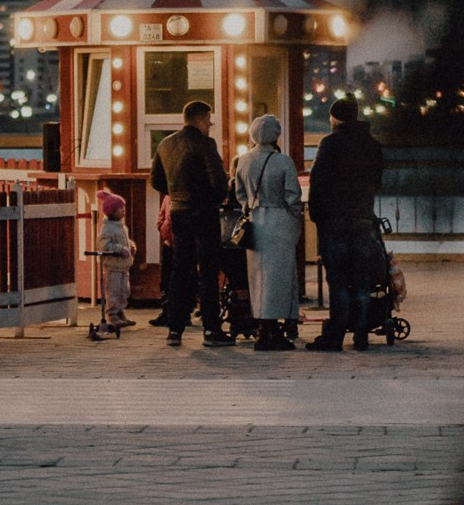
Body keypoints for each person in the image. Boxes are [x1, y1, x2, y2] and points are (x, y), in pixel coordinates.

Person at [306, 96, 388, 351]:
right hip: (363, 219)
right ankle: (361, 335)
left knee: (339, 280)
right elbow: (377, 181)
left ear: (335, 118)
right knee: (363, 280)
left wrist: (317, 216)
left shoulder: (330, 144)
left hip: (335, 221)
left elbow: (318, 183)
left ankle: (336, 336)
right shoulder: (372, 145)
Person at [149, 100, 232, 346]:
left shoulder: (165, 144)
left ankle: (175, 328)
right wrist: (216, 196)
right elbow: (218, 181)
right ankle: (211, 330)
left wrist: (176, 194)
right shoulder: (206, 144)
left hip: (179, 212)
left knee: (180, 270)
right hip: (204, 213)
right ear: (198, 119)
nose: (210, 125)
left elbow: (156, 181)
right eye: (208, 120)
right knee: (208, 272)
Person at [236, 113, 306, 351]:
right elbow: (293, 196)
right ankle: (273, 329)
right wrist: (296, 217)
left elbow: (240, 194)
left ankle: (262, 325)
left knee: (258, 276)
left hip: (256, 220)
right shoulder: (283, 161)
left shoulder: (243, 161)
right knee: (280, 276)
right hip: (280, 220)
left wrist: (250, 208)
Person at [88, 188, 135, 340]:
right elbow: (102, 245)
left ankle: (121, 312)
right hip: (113, 266)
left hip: (123, 266)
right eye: (120, 208)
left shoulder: (122, 226)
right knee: (113, 291)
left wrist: (131, 246)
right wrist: (120, 249)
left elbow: (125, 241)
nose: (123, 211)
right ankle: (112, 315)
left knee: (124, 291)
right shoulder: (107, 228)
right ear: (112, 211)